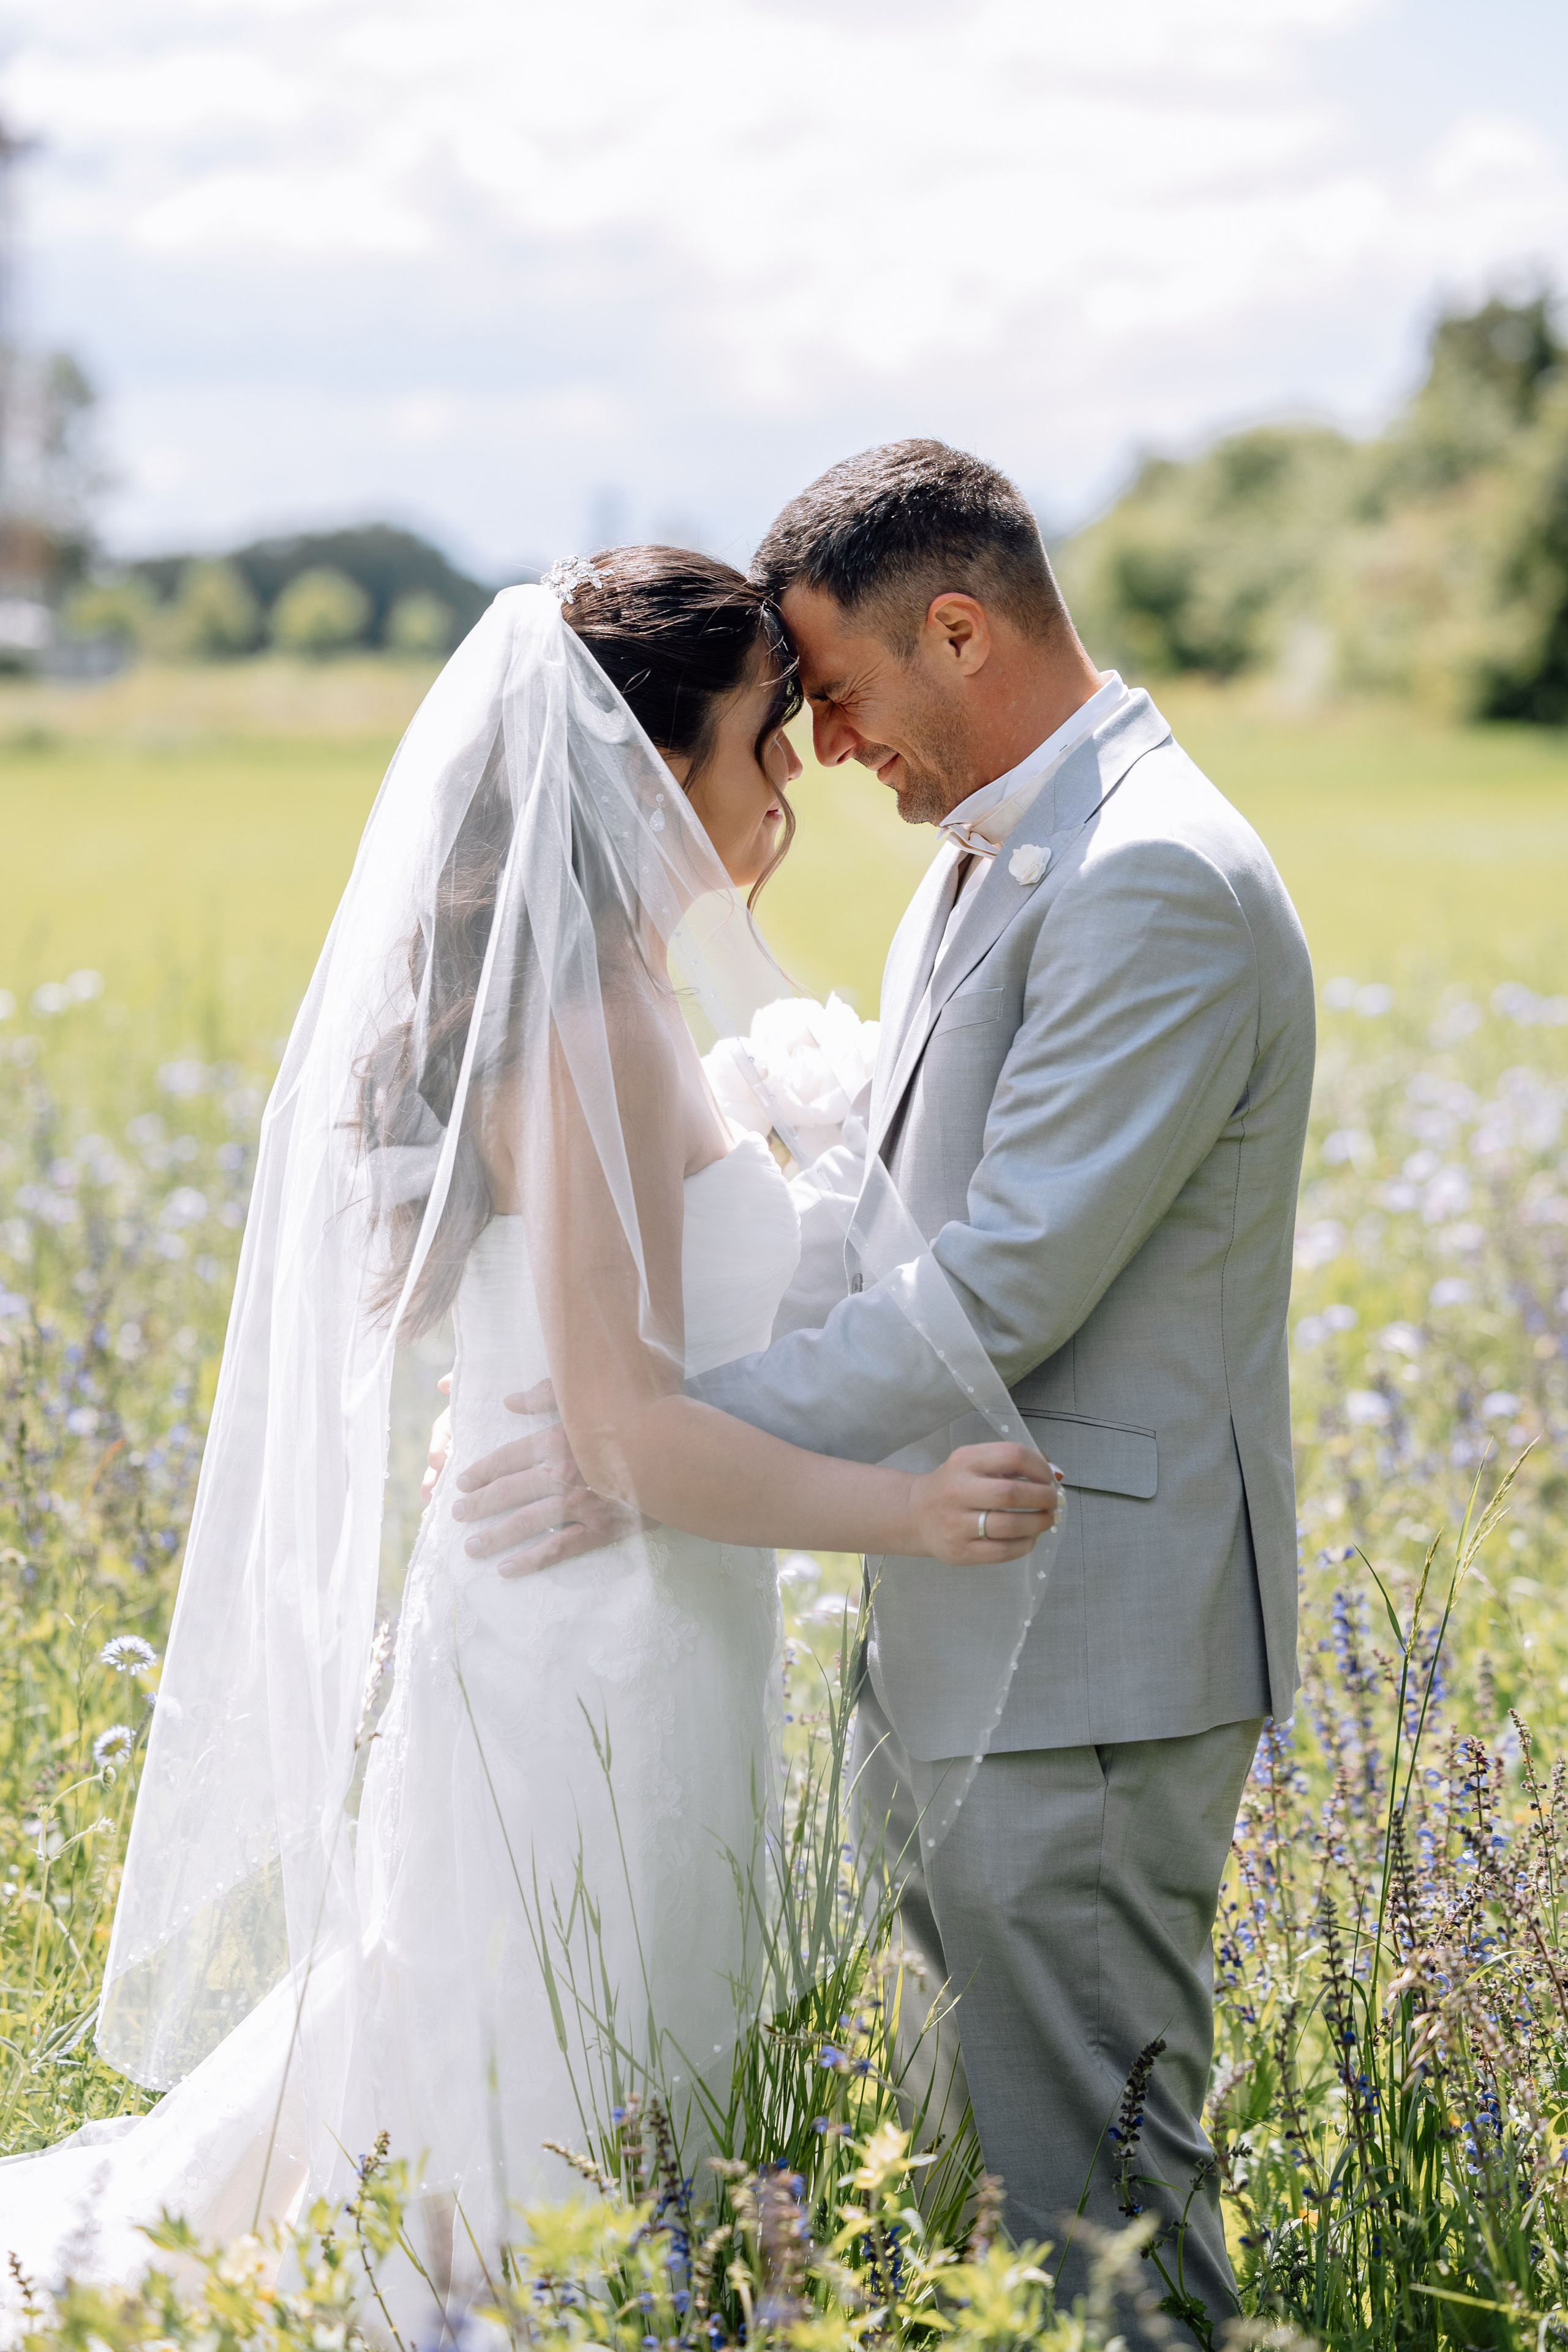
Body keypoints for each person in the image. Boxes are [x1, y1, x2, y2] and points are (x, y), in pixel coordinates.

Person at [0, 549, 1058, 2322]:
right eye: (757, 749)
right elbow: (628, 1434)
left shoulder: (622, 999)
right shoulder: (580, 1028)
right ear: (641, 774)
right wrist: (916, 1512)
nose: (788, 789)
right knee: (528, 2021)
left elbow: (620, 1370)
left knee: (561, 2007)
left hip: (647, 1610)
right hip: (584, 1630)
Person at [451, 448, 1316, 2346]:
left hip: (1089, 1635)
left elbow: (1007, 1279)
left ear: (958, 627)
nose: (824, 748)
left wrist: (663, 1459)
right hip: (967, 1615)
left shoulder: (1150, 876)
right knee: (986, 2176)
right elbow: (867, 1223)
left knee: (1101, 2194)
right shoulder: (982, 866)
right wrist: (657, 1434)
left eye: (834, 692)